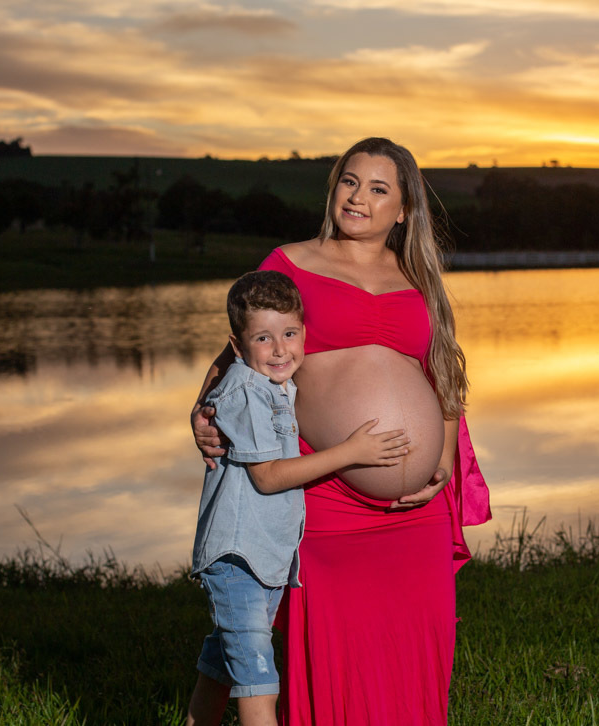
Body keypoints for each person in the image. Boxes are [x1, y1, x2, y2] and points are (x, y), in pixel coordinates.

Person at [190, 137, 491, 725]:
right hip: (328, 494)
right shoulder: (290, 263)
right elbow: (240, 353)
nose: (358, 198)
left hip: (418, 510)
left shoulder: (418, 276)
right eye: (350, 181)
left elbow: (444, 374)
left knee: (416, 639)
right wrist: (201, 411)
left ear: (403, 209)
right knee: (337, 645)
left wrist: (443, 461)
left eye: (378, 189)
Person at [187, 270, 411, 726]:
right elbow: (268, 477)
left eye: (289, 334)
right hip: (238, 558)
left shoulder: (275, 386)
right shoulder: (247, 392)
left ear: (304, 333)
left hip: (262, 556)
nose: (279, 349)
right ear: (237, 347)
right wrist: (350, 452)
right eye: (263, 338)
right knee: (259, 684)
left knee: (224, 665)